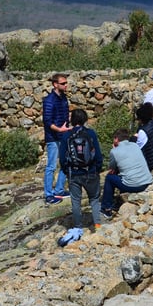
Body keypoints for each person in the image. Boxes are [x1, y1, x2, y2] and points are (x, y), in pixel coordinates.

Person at [57, 108, 103, 246]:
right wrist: (97, 169)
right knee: (94, 199)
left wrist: (67, 171)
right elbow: (98, 154)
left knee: (76, 201)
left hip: (74, 173)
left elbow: (62, 157)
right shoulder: (90, 133)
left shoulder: (67, 136)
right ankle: (98, 226)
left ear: (72, 120)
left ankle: (78, 227)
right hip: (90, 172)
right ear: (85, 120)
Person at [101, 129, 153, 219]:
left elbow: (112, 168)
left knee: (109, 178)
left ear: (116, 139)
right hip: (146, 182)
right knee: (125, 173)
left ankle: (106, 209)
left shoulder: (114, 151)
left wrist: (114, 150)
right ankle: (118, 202)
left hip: (133, 185)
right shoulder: (135, 145)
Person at [42, 73, 72, 204]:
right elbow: (47, 121)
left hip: (63, 135)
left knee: (65, 163)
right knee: (51, 166)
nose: (66, 85)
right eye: (63, 83)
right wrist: (60, 129)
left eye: (66, 83)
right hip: (53, 138)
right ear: (55, 84)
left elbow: (65, 115)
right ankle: (49, 195)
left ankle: (59, 190)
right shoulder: (49, 100)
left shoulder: (63, 98)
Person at [132, 102, 153, 170]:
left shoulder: (143, 131)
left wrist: (133, 139)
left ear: (141, 119)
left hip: (152, 162)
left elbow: (138, 149)